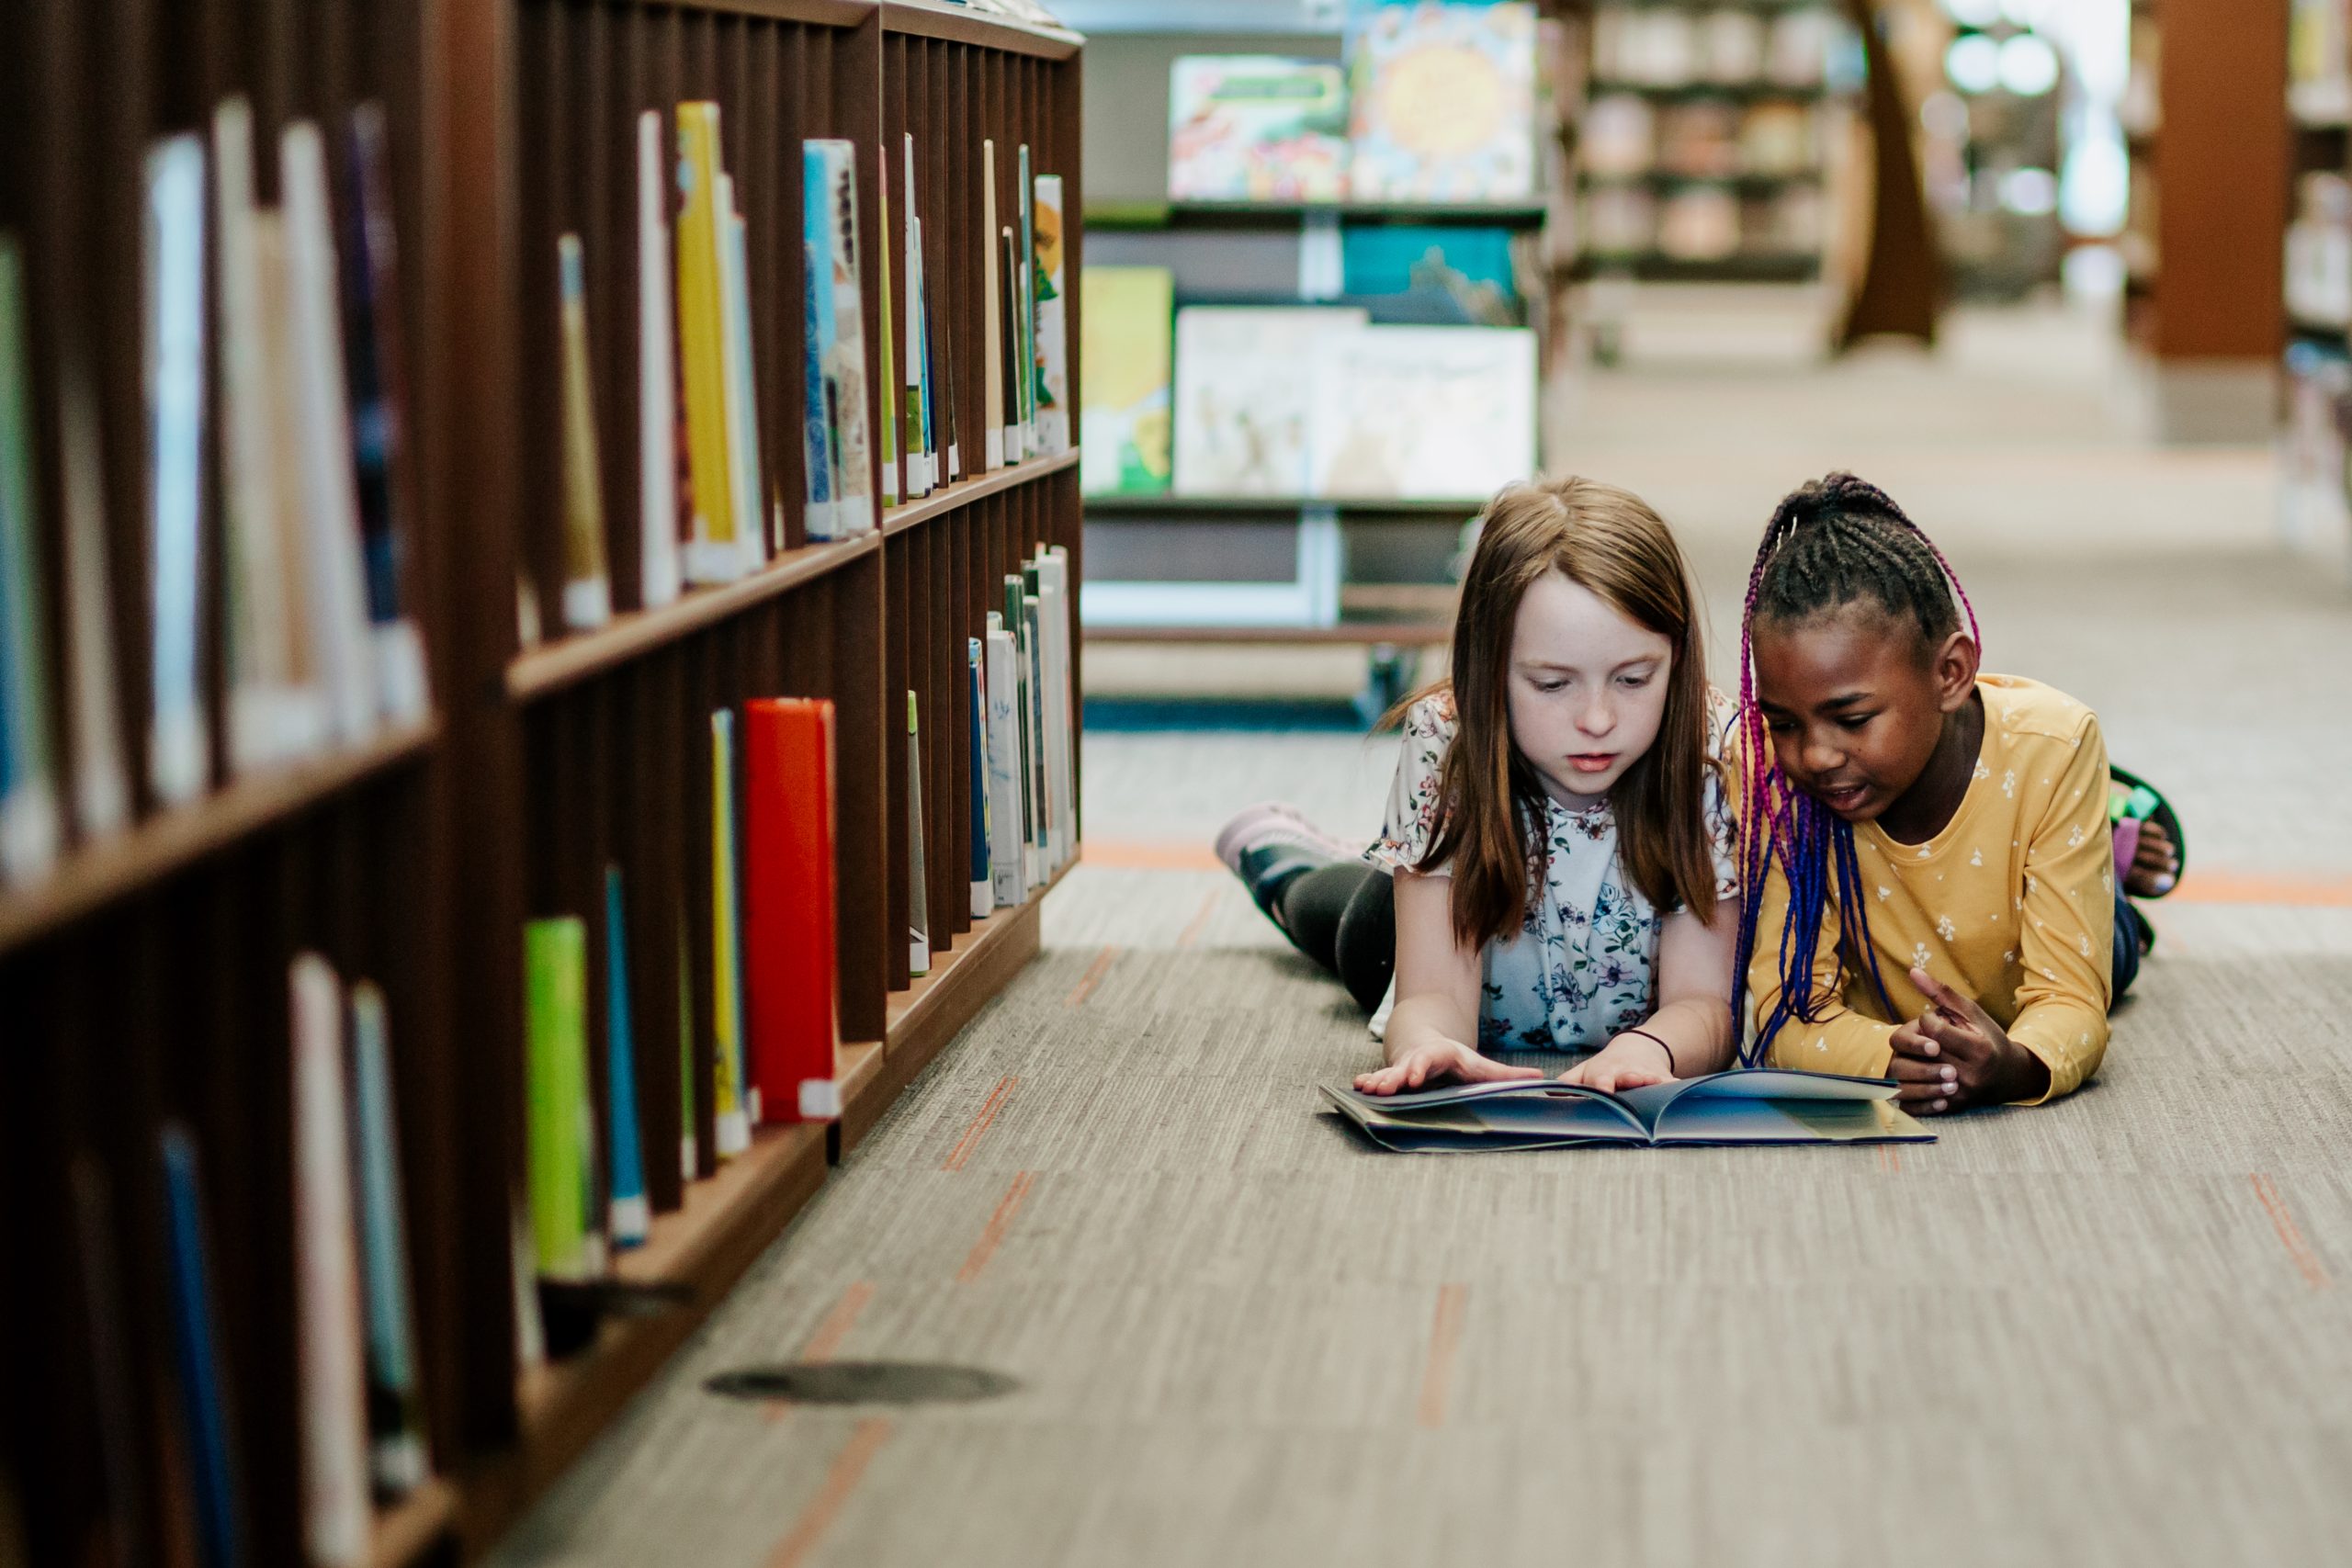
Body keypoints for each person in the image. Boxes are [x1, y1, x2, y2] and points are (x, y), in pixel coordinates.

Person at [1215, 476, 1741, 1096]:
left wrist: (1650, 1047)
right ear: (1488, 669)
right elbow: (1432, 995)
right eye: (1552, 683)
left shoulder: (1712, 747)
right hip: (1407, 935)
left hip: (1603, 997)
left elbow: (1706, 1002)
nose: (1597, 719)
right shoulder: (1445, 737)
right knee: (1330, 918)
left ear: (1675, 657)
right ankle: (1279, 856)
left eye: (1632, 679)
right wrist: (1428, 1043)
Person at [1734, 472, 2182, 1114]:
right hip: (1915, 991)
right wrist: (1896, 1055)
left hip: (2028, 921)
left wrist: (2017, 1067)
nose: (1815, 755)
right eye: (1783, 723)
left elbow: (2069, 1001)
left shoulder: (2059, 741)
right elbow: (1787, 1012)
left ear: (1950, 673)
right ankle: (2092, 845)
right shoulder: (1774, 774)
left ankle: (2097, 855)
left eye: (1853, 719)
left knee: (2112, 951)